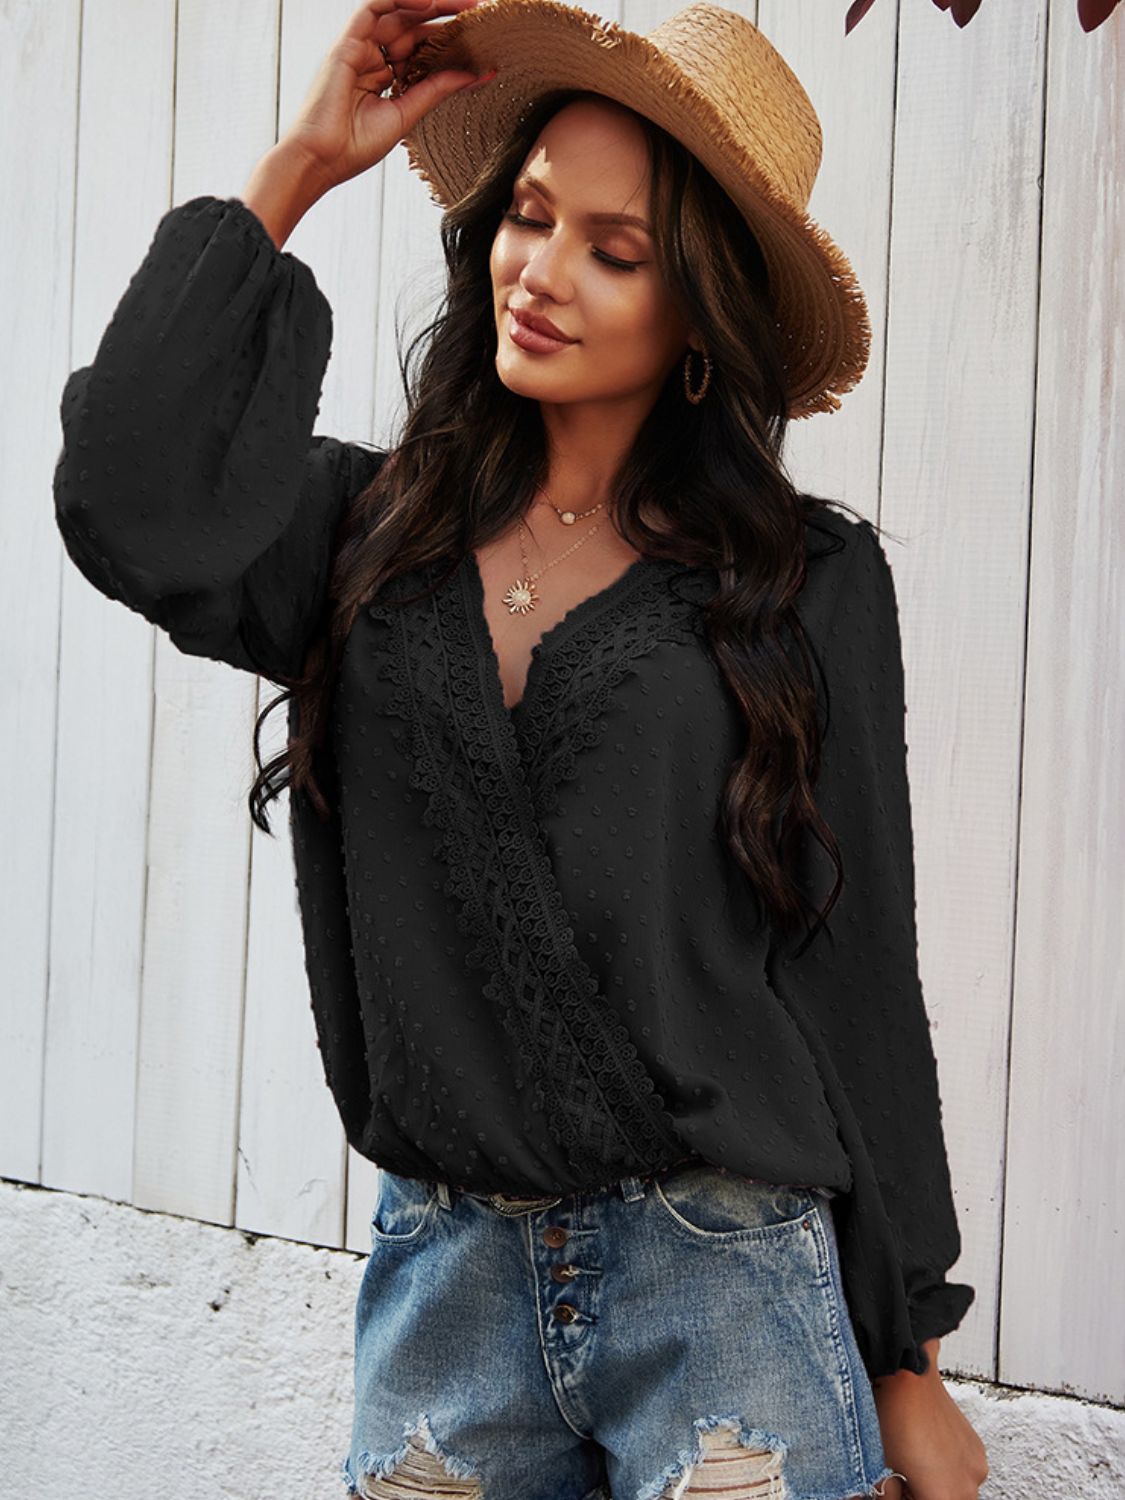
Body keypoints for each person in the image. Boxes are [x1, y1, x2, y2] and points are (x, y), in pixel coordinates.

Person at [52, 2, 990, 1497]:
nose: (541, 274)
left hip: (725, 1285)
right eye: (531, 216)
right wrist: (302, 163)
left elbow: (856, 961)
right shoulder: (359, 539)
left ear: (702, 318)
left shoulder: (802, 585)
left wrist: (906, 1357)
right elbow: (130, 495)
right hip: (446, 1292)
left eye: (614, 252)